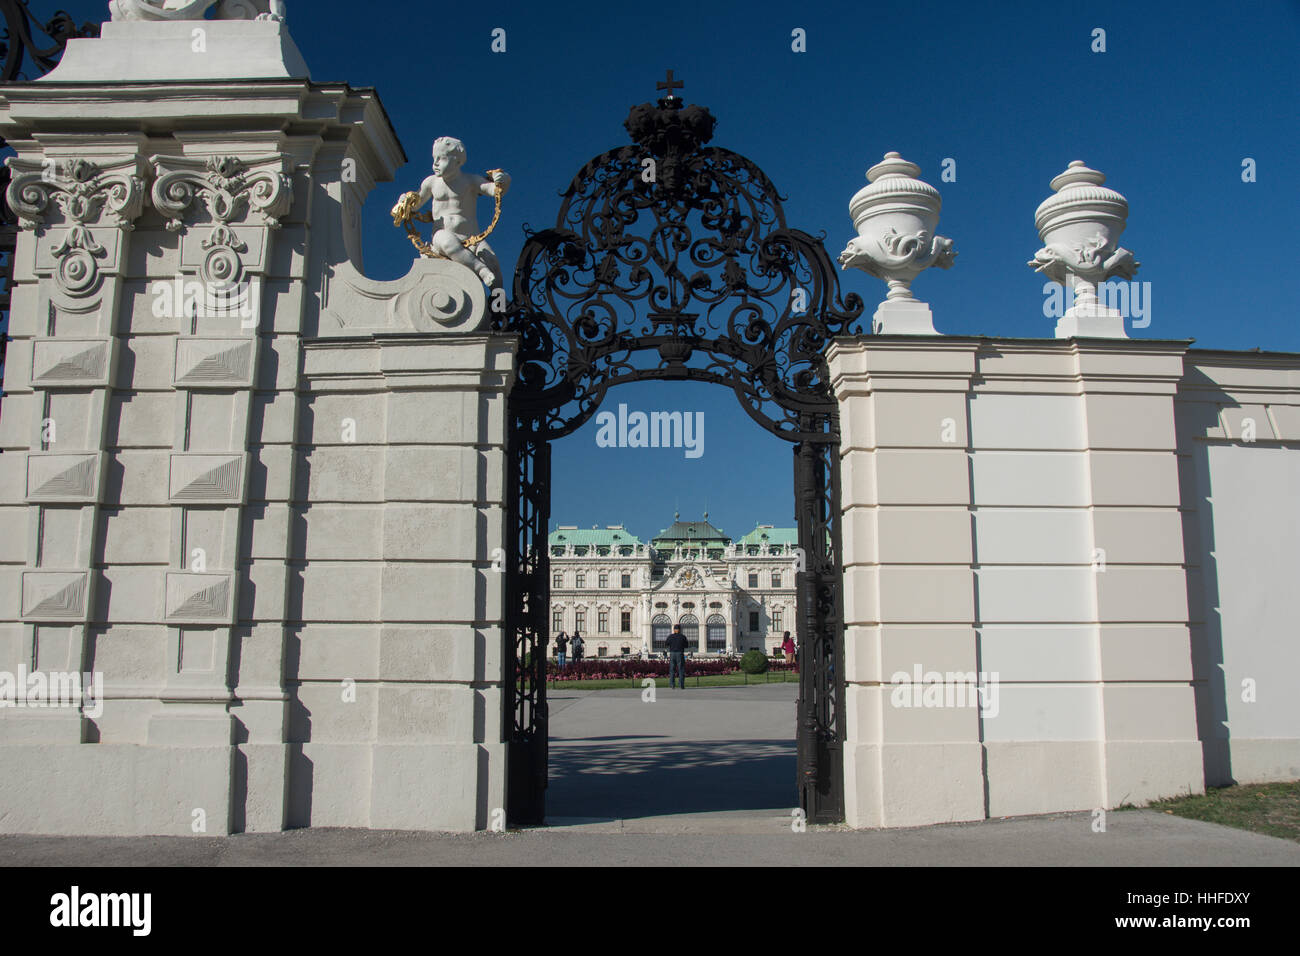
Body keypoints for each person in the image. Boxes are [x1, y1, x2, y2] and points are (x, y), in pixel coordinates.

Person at [400, 137, 510, 288]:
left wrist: (504, 180)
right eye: (434, 158)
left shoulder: (470, 181)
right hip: (441, 236)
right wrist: (404, 202)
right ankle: (481, 270)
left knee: (492, 261)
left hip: (472, 238)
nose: (435, 163)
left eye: (442, 158)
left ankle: (500, 302)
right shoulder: (431, 182)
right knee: (447, 242)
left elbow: (494, 190)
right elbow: (415, 204)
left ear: (457, 161)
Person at [666, 624, 689, 690]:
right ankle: (681, 684)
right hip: (680, 653)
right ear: (680, 629)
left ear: (674, 630)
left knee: (672, 669)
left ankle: (672, 684)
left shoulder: (670, 636)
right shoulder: (683, 637)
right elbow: (686, 645)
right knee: (681, 669)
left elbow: (666, 643)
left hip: (672, 653)